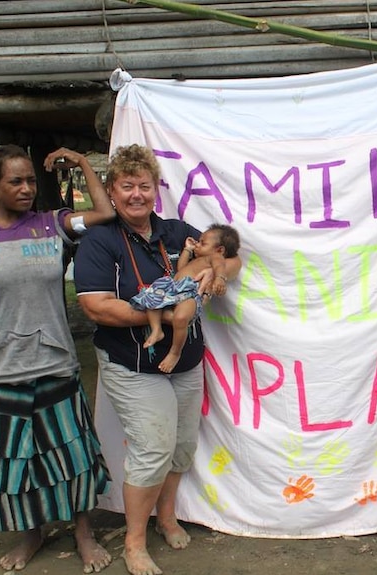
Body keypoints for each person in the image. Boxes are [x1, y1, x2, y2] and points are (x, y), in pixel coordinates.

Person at [0, 145, 116, 572]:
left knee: (71, 453)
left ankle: (83, 532)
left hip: (56, 362)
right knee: (16, 460)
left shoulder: (51, 225)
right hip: (3, 369)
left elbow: (105, 213)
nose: (26, 189)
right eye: (15, 181)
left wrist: (84, 163)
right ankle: (31, 533)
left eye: (31, 180)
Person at [73, 144, 241, 575]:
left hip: (186, 359)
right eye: (126, 186)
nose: (136, 195)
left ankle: (166, 517)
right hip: (130, 360)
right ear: (112, 191)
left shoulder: (175, 231)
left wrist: (213, 275)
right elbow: (95, 306)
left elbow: (230, 257)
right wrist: (168, 314)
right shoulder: (99, 241)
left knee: (181, 446)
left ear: (155, 190)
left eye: (144, 186)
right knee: (152, 449)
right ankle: (134, 541)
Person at [132, 223, 240, 373]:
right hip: (173, 288)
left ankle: (175, 352)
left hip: (189, 292)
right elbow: (181, 268)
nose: (197, 244)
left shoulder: (214, 258)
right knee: (151, 299)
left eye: (202, 243)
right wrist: (188, 250)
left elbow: (220, 266)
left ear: (219, 250)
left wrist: (219, 278)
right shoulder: (197, 259)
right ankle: (157, 330)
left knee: (181, 318)